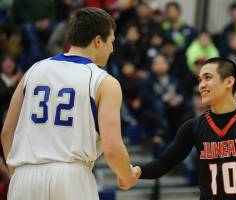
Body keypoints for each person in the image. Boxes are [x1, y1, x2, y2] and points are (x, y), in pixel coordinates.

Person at [1, 7, 140, 200]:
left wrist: (17, 174)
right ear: (98, 41)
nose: (112, 49)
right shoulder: (104, 81)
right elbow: (112, 148)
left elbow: (7, 132)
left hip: (24, 178)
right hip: (71, 178)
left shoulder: (33, 70)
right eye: (111, 41)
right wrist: (127, 176)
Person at [135, 57, 236, 200]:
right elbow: (163, 163)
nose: (201, 85)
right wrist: (136, 171)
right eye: (200, 80)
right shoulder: (193, 127)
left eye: (208, 78)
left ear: (228, 82)